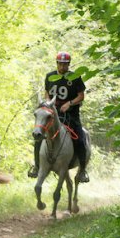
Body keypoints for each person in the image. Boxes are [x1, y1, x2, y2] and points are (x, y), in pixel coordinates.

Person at [28, 51, 90, 182]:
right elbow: (47, 93)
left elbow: (81, 95)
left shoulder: (75, 77)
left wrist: (70, 103)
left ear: (69, 64)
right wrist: (49, 105)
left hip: (71, 114)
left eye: (65, 64)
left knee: (80, 137)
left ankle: (82, 170)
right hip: (53, 114)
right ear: (57, 63)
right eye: (60, 64)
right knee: (39, 136)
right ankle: (37, 166)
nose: (62, 67)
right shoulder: (50, 76)